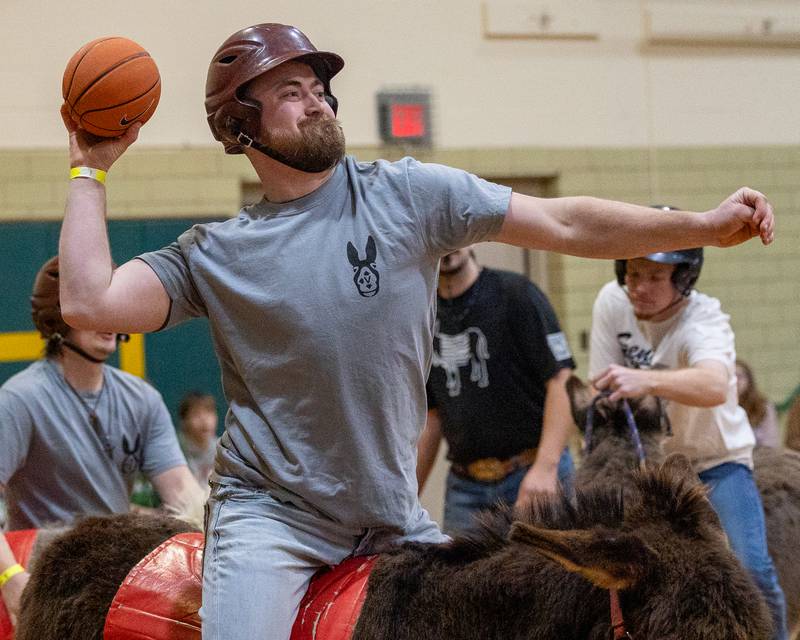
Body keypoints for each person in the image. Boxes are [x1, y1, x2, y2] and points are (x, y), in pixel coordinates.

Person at [56, 23, 775, 640]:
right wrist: (89, 170)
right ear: (240, 125)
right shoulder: (214, 253)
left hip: (391, 513)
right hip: (273, 520)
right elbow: (90, 304)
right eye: (290, 92)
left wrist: (698, 225)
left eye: (319, 86)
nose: (318, 100)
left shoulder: (408, 195)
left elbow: (563, 220)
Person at [588, 213, 788, 640]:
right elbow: (602, 385)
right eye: (633, 273)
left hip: (716, 461)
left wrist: (646, 379)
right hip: (651, 467)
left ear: (684, 278)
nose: (638, 286)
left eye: (654, 276)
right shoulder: (611, 301)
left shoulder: (705, 319)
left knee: (751, 568)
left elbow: (716, 383)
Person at [0, 256, 205, 625]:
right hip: (43, 576)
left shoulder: (141, 399)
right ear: (57, 317)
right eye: (89, 307)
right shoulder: (19, 400)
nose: (105, 317)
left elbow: (181, 491)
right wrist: (10, 578)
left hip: (110, 572)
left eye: (107, 304)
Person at [417, 247, 575, 534]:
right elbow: (433, 416)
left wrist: (546, 468)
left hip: (532, 474)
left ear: (472, 235)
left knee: (548, 577)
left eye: (455, 232)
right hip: (466, 488)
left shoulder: (517, 293)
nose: (448, 244)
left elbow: (560, 380)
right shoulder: (422, 315)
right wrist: (405, 499)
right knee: (460, 579)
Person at [736, 359, 781, 448]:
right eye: (731, 376)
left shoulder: (763, 406)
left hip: (758, 456)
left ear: (749, 380)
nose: (736, 381)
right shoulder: (715, 407)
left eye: (739, 376)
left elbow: (771, 443)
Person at [178, 391, 219, 484]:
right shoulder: (175, 451)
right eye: (196, 414)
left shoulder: (223, 450)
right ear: (184, 422)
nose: (204, 420)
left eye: (209, 412)